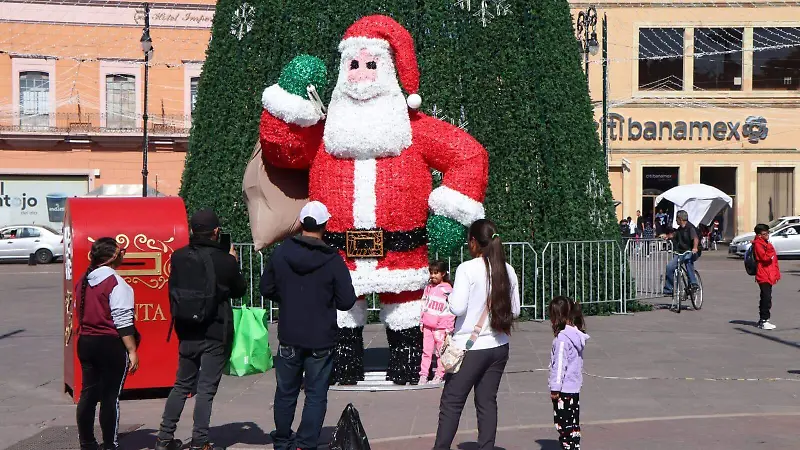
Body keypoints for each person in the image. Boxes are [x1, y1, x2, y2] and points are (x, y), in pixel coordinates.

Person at [260, 201, 357, 450]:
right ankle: (305, 444)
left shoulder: (282, 252)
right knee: (315, 395)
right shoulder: (332, 259)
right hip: (321, 336)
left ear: (301, 223)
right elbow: (346, 300)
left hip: (290, 332)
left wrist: (288, 297)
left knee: (285, 392)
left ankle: (282, 441)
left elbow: (266, 287)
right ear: (325, 225)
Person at [155, 209, 246, 450]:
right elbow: (239, 290)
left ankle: (164, 437)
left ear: (193, 230)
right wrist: (233, 262)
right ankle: (200, 440)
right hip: (215, 329)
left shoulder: (179, 256)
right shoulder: (224, 260)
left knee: (182, 384)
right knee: (206, 388)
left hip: (186, 328)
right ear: (216, 232)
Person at [433, 219, 521, 450]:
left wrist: (449, 298)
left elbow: (458, 307)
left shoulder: (467, 268)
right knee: (486, 402)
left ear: (474, 242)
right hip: (499, 345)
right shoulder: (507, 269)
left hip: (469, 348)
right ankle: (486, 447)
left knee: (452, 402)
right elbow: (516, 310)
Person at [75, 237, 139, 450]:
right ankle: (110, 444)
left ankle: (87, 442)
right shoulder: (116, 283)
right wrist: (132, 351)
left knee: (88, 394)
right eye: (122, 252)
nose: (124, 255)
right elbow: (123, 321)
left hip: (86, 342)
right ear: (114, 257)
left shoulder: (83, 281)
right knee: (111, 397)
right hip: (109, 345)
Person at [548, 297, 589, 450]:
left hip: (563, 391)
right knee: (572, 425)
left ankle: (568, 447)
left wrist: (555, 387)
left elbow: (559, 366)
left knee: (563, 425)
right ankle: (573, 446)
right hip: (574, 388)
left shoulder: (562, 340)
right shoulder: (575, 335)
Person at [419, 260, 455, 385]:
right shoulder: (428, 288)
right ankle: (423, 374)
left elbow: (452, 309)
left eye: (436, 273)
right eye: (431, 273)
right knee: (426, 351)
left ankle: (439, 374)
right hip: (428, 326)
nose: (433, 276)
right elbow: (424, 304)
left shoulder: (448, 289)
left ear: (443, 273)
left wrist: (449, 327)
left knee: (441, 352)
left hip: (441, 328)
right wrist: (422, 321)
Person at [663, 210, 700, 296]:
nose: (676, 221)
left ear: (680, 219)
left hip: (690, 251)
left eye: (676, 219)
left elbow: (695, 238)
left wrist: (694, 248)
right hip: (680, 252)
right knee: (669, 267)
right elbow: (674, 235)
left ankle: (693, 283)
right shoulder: (680, 229)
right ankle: (669, 289)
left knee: (688, 260)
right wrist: (667, 236)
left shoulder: (690, 228)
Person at [752, 224, 781, 330]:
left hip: (768, 273)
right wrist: (770, 251)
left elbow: (773, 261)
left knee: (766, 297)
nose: (767, 235)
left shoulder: (765, 243)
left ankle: (763, 320)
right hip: (763, 274)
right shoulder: (759, 244)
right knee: (766, 297)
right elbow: (764, 258)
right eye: (764, 234)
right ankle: (764, 320)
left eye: (767, 233)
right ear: (759, 235)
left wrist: (776, 274)